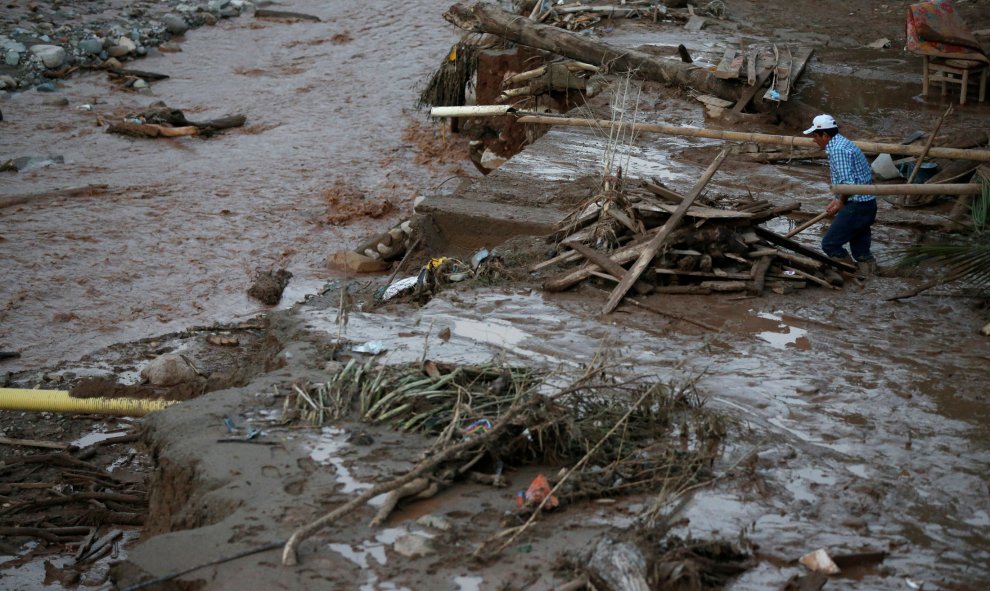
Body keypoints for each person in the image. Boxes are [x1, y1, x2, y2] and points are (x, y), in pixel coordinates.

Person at [803, 114, 877, 276]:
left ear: (825, 135)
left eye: (815, 136)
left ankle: (849, 272)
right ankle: (869, 276)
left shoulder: (838, 150)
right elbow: (848, 180)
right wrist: (836, 200)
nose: (814, 140)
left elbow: (847, 185)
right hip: (867, 204)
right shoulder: (842, 143)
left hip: (856, 205)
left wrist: (841, 202)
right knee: (861, 251)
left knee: (830, 244)